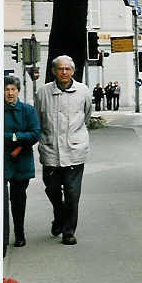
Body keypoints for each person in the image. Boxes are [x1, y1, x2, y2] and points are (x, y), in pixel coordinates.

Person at [35, 55, 92, 246]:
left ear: (73, 71)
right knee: (52, 189)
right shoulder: (43, 92)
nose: (64, 72)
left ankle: (68, 231)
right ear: (53, 71)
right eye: (60, 69)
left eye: (68, 69)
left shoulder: (83, 91)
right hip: (50, 150)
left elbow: (86, 116)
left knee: (72, 194)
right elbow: (38, 119)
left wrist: (76, 136)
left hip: (75, 150)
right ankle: (59, 215)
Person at [4, 76, 41, 248]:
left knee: (18, 199)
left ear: (18, 91)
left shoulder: (28, 110)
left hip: (21, 160)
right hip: (3, 160)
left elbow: (35, 133)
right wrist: (19, 137)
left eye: (13, 89)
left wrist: (13, 137)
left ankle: (19, 233)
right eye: (6, 89)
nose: (10, 93)